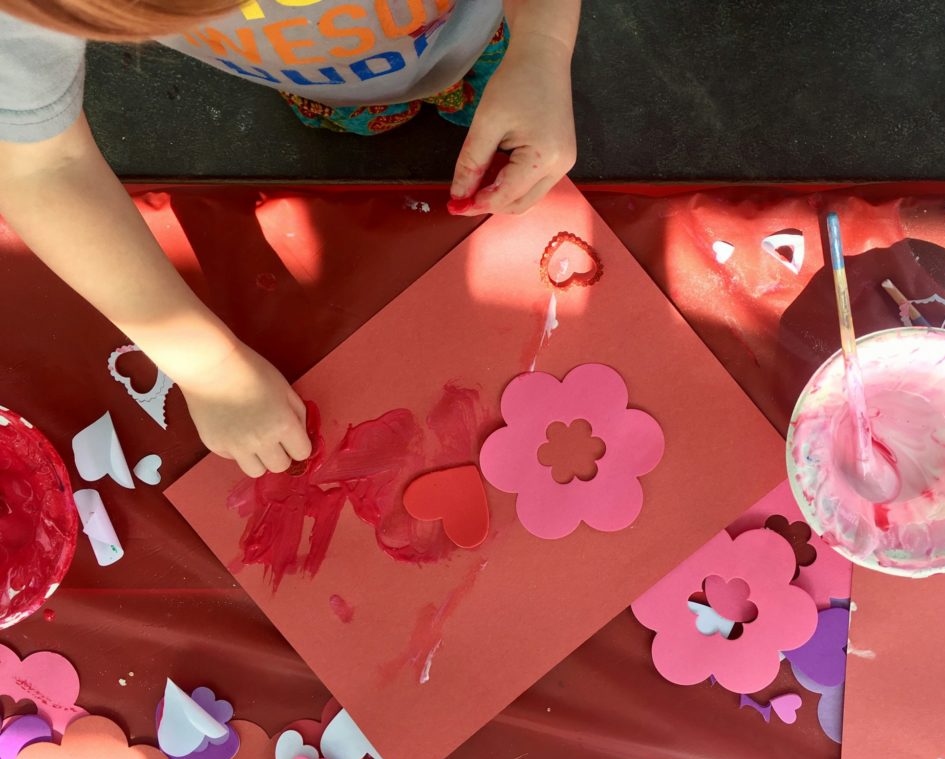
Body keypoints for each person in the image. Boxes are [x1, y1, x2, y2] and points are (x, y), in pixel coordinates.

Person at [0, 0, 579, 477]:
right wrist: (209, 366)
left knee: (472, 82)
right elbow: (41, 169)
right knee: (367, 112)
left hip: (493, 33)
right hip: (327, 82)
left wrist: (543, 48)